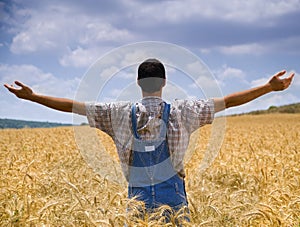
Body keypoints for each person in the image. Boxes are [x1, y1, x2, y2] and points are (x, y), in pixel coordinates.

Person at [4, 59, 294, 224]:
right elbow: (228, 102)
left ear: (139, 84)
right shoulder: (185, 111)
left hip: (137, 199)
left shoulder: (115, 114)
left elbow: (73, 106)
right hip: (175, 198)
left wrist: (33, 97)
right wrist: (268, 88)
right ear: (164, 83)